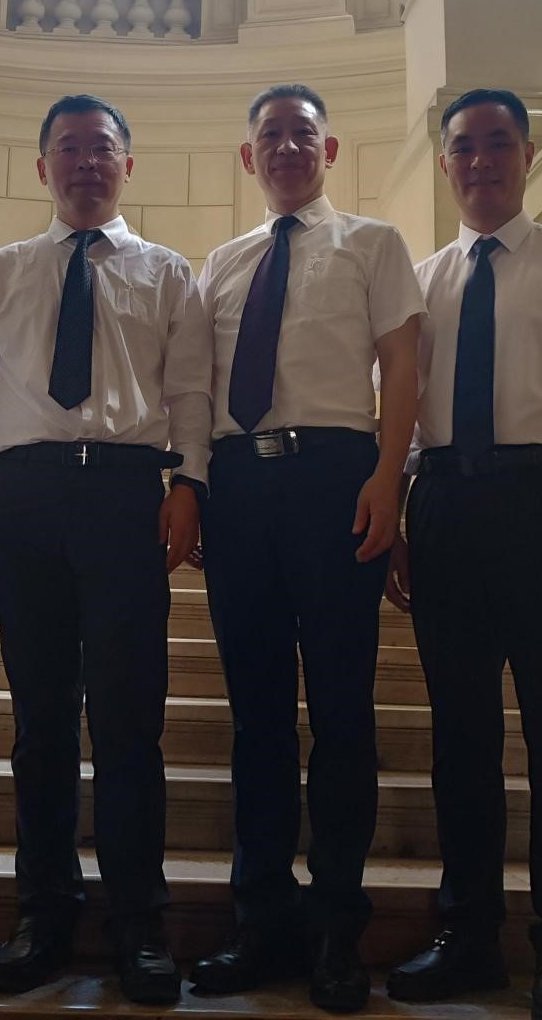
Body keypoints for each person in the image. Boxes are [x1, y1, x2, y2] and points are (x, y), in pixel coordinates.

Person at [384, 88, 542, 1020]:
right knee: (461, 739)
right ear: (447, 162)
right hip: (447, 504)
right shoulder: (418, 283)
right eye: (464, 146)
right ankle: (467, 936)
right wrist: (407, 521)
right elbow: (406, 416)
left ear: (527, 156)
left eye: (500, 144)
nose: (481, 160)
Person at [0, 94, 210, 1005]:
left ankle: (139, 923)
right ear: (42, 166)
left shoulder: (169, 272)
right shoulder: (4, 270)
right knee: (43, 716)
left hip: (127, 495)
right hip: (23, 495)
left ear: (127, 165)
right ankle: (45, 912)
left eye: (102, 149)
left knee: (132, 719)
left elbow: (190, 391)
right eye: (68, 149)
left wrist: (188, 485)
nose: (86, 163)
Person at [190, 83, 423, 1014]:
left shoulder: (372, 244)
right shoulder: (221, 262)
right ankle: (262, 923)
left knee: (341, 714)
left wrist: (388, 480)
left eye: (303, 133)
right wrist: (198, 485)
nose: (287, 147)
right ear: (249, 157)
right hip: (241, 486)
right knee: (255, 720)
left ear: (330, 149)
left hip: (338, 478)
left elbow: (403, 366)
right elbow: (201, 384)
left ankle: (336, 929)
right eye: (270, 135)